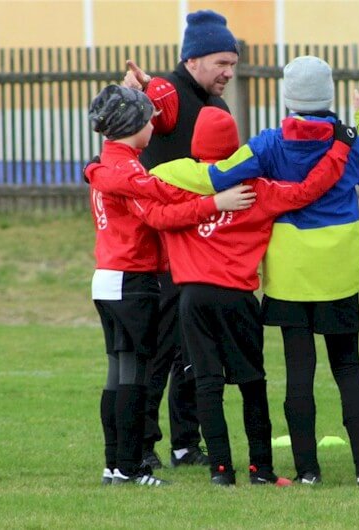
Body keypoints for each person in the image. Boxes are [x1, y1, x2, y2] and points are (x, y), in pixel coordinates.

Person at [151, 57, 359, 486]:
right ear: (329, 94)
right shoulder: (348, 140)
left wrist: (159, 172)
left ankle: (307, 471)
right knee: (348, 368)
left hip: (289, 271)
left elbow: (220, 174)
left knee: (298, 371)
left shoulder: (267, 144)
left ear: (287, 98)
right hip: (338, 266)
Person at [86, 106, 359, 487]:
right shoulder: (257, 188)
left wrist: (92, 169)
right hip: (237, 297)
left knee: (206, 384)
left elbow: (147, 204)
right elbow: (308, 190)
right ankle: (260, 470)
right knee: (252, 382)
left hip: (191, 299)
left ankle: (220, 472)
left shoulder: (176, 180)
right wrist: (341, 149)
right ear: (236, 145)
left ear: (196, 144)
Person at [87, 85, 252, 487]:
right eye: (148, 120)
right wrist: (215, 200)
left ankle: (114, 465)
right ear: (132, 126)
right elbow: (161, 210)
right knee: (134, 376)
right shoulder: (126, 172)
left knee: (118, 374)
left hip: (108, 277)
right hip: (131, 279)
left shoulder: (110, 165)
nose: (154, 126)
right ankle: (129, 468)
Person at [122, 9, 243, 469]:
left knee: (195, 348)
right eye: (220, 63)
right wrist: (133, 94)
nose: (228, 72)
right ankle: (145, 444)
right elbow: (142, 108)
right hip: (164, 245)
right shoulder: (169, 90)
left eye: (232, 63)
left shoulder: (217, 105)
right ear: (192, 60)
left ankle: (185, 442)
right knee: (161, 346)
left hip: (204, 243)